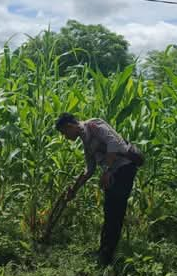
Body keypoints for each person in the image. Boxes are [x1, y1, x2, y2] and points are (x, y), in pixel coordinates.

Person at [55, 112, 138, 266]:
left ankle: (108, 257)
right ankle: (104, 251)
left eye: (64, 133)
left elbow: (114, 142)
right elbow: (90, 169)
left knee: (115, 212)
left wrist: (106, 170)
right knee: (109, 211)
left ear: (70, 126)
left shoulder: (93, 125)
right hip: (113, 173)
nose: (65, 137)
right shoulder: (85, 140)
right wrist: (74, 189)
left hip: (124, 169)